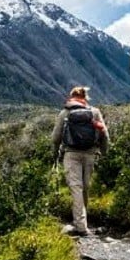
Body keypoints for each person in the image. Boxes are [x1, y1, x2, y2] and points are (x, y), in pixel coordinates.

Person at [51, 86, 110, 237]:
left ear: (71, 96)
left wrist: (55, 156)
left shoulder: (65, 113)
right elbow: (104, 134)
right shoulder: (94, 112)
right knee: (85, 187)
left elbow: (55, 138)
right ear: (85, 97)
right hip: (90, 154)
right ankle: (83, 222)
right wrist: (104, 152)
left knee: (76, 188)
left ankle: (81, 226)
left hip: (71, 154)